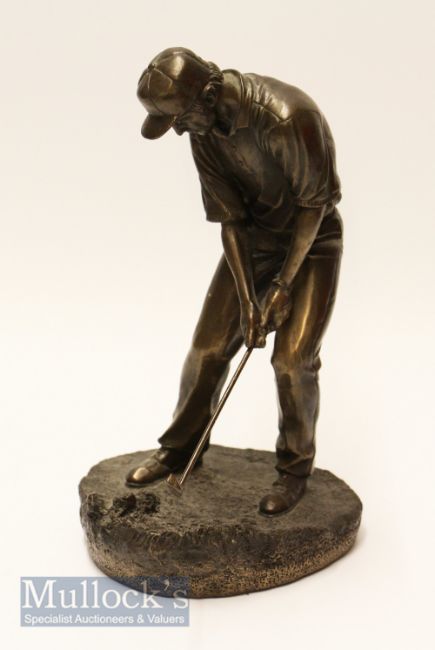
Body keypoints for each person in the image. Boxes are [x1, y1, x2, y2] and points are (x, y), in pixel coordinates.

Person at [126, 47, 343, 516]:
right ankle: (180, 449)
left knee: (292, 361)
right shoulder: (202, 131)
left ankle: (294, 471)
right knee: (206, 348)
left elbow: (315, 207)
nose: (178, 130)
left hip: (313, 243)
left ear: (207, 96)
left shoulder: (287, 117)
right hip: (254, 241)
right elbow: (230, 219)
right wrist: (247, 300)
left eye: (178, 120)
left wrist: (282, 286)